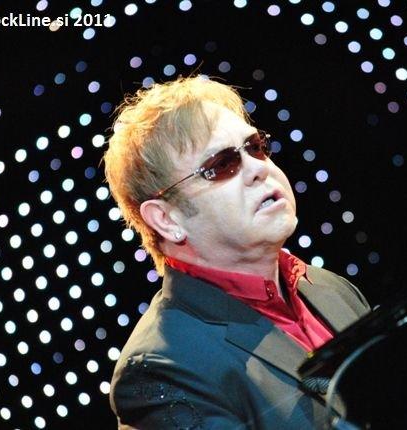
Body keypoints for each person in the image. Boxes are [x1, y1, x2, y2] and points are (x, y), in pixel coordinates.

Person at [104, 76, 370, 429]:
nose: (259, 169)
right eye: (222, 165)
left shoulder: (331, 288)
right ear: (167, 219)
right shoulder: (161, 370)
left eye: (255, 147)